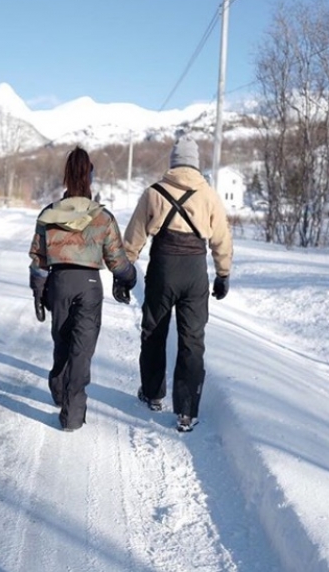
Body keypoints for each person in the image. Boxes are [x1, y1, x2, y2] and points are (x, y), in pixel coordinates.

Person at [119, 133, 233, 432]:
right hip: (195, 272)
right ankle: (186, 411)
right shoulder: (209, 195)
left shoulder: (154, 192)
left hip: (163, 268)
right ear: (195, 164)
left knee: (154, 332)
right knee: (192, 340)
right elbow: (221, 237)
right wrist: (223, 274)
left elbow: (134, 237)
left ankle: (153, 394)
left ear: (173, 163)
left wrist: (124, 270)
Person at [29, 146, 137, 432]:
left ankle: (58, 388)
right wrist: (129, 277)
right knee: (82, 351)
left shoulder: (49, 214)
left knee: (62, 342)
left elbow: (39, 258)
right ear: (91, 177)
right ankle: (73, 413)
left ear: (66, 177)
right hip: (89, 285)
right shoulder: (102, 217)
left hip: (59, 283)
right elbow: (117, 260)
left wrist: (38, 292)